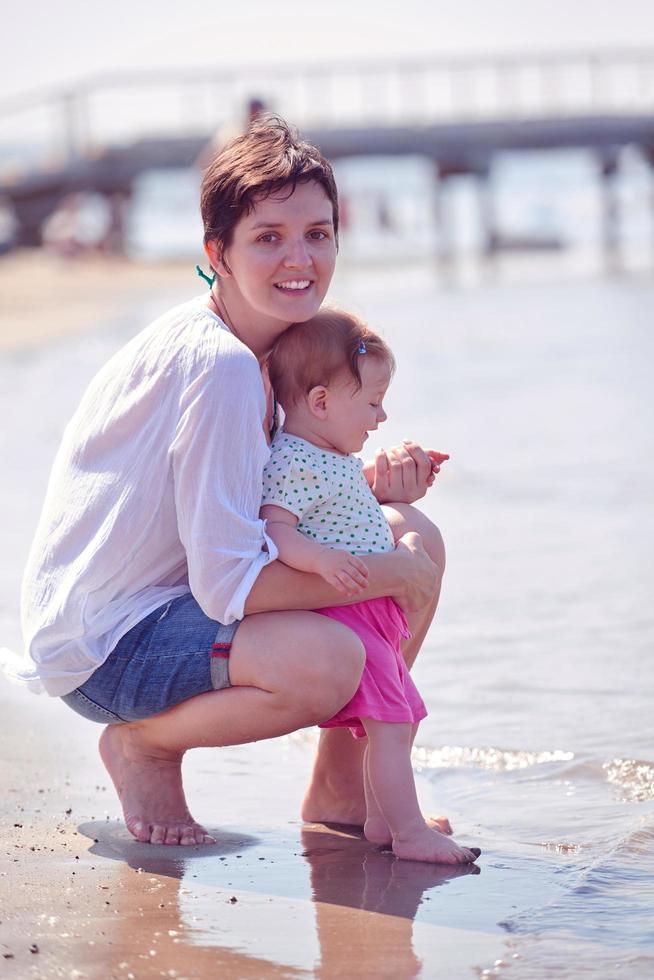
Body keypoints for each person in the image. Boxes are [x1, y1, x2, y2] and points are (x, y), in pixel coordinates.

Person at [1, 116, 448, 847]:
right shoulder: (223, 368)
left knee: (412, 533)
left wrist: (368, 490)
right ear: (219, 253)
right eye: (268, 237)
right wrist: (387, 574)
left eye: (317, 233)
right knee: (340, 648)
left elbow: (258, 492)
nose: (299, 258)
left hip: (165, 600)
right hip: (109, 641)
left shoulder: (276, 346)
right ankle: (145, 745)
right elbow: (228, 586)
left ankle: (342, 785)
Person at [261, 310, 479, 864]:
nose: (382, 417)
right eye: (373, 402)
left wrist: (391, 480)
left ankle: (382, 816)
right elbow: (276, 526)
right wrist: (321, 561)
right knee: (390, 720)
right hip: (348, 611)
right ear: (320, 403)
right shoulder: (295, 461)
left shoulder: (329, 455)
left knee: (402, 711)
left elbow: (345, 507)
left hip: (368, 609)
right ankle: (407, 833)